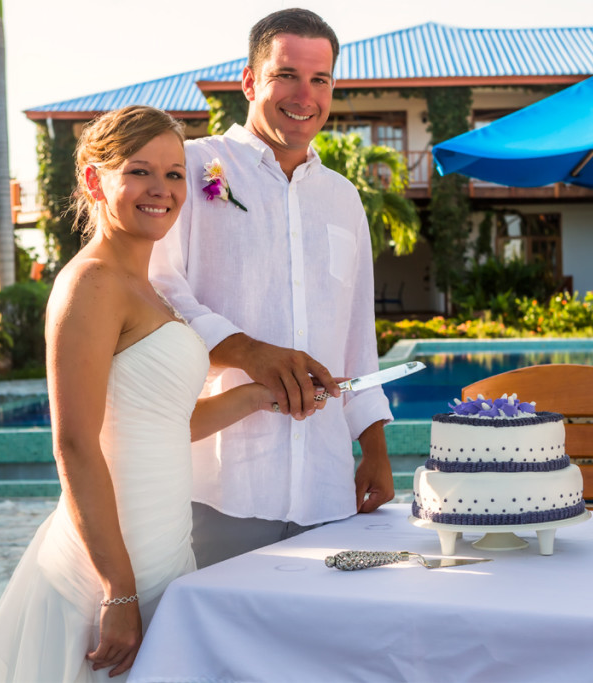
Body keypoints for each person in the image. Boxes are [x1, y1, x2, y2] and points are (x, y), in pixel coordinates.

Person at [0, 105, 294, 682]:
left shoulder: (145, 288)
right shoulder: (91, 284)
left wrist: (261, 396)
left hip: (163, 539)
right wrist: (118, 590)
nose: (162, 190)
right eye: (140, 171)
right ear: (95, 179)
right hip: (113, 559)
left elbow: (164, 420)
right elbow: (73, 444)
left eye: (173, 174)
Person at [149, 8, 394, 569]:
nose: (304, 95)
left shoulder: (343, 197)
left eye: (320, 79)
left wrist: (374, 450)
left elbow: (357, 336)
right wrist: (247, 351)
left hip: (327, 487)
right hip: (221, 484)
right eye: (286, 74)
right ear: (249, 80)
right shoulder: (187, 167)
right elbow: (158, 289)